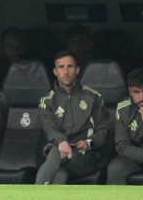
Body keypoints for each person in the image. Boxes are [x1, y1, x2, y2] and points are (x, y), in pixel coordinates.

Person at [36, 49, 110, 185]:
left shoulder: (93, 97)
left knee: (56, 154)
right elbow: (49, 128)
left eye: (70, 66)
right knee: (59, 176)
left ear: (77, 70)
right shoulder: (47, 101)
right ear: (55, 72)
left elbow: (103, 130)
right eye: (61, 67)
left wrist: (89, 142)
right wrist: (62, 142)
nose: (65, 72)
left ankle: (34, 194)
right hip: (59, 154)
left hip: (86, 155)